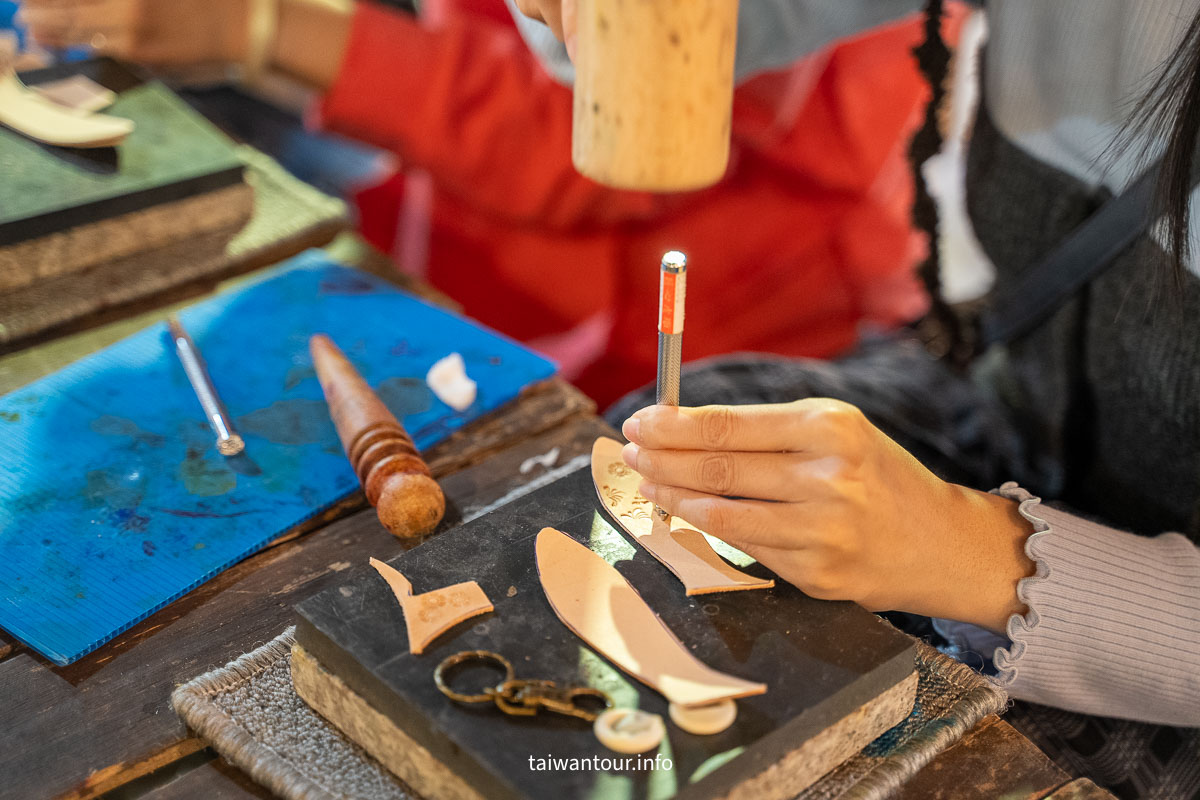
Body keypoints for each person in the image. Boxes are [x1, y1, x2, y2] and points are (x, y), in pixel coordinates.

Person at [513, 1, 1200, 797]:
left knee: (876, 754)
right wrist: (608, 22)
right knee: (703, 421)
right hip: (1012, 406)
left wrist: (968, 550)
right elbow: (700, 27)